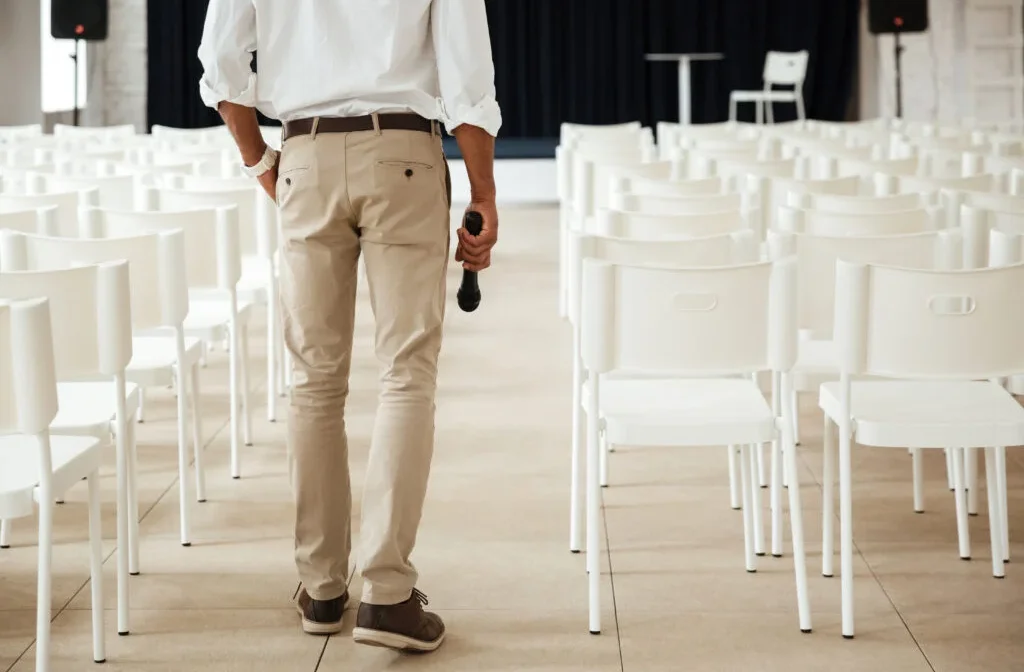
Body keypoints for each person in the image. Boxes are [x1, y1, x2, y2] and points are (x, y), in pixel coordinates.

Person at [197, 0, 500, 653]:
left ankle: (324, 587)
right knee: (407, 376)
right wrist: (484, 193)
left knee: (313, 381)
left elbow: (221, 68)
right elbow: (468, 80)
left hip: (304, 152)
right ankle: (389, 597)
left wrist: (260, 163)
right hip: (405, 155)